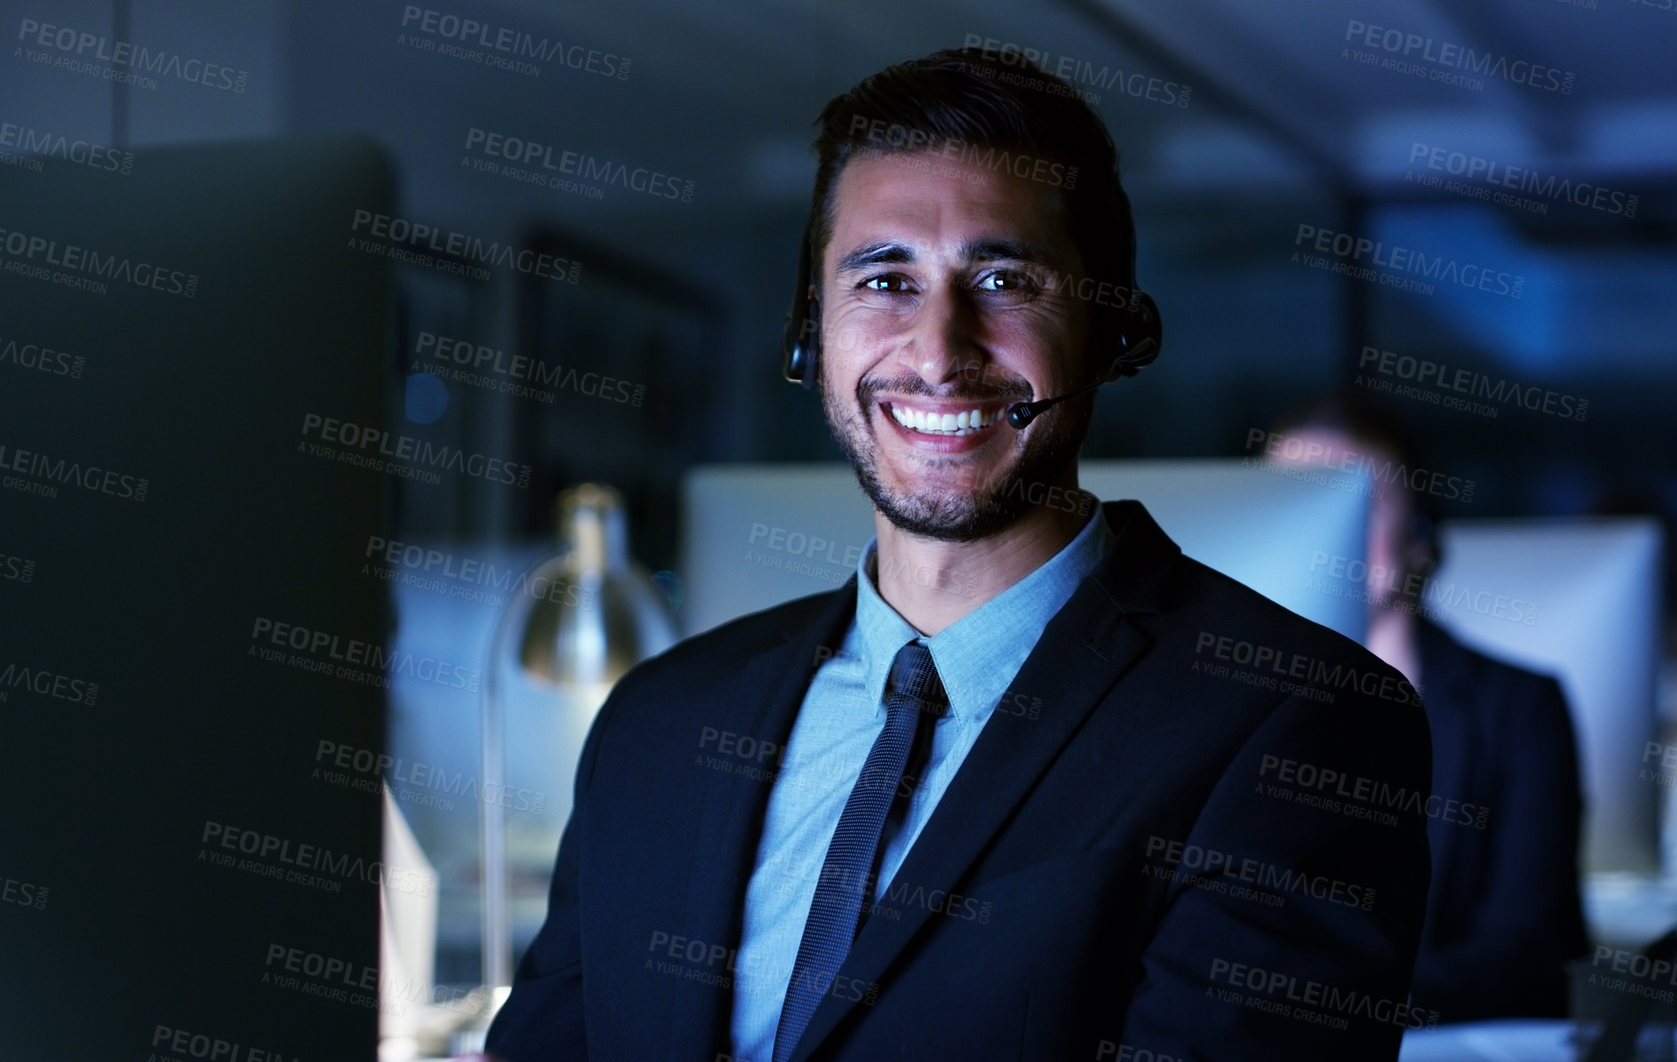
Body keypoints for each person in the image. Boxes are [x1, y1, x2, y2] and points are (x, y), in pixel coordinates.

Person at [486, 49, 1432, 1061]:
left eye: (1002, 279)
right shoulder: (660, 719)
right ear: (812, 337)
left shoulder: (1304, 724)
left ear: (1115, 332)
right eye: (885, 281)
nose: (938, 351)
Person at [1270, 394, 1591, 1021]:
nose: (1325, 535)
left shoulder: (1519, 709)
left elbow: (1526, 948)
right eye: (1297, 506)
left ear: (1420, 535)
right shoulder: (1228, 707)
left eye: (1357, 504)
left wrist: (1337, 1005)